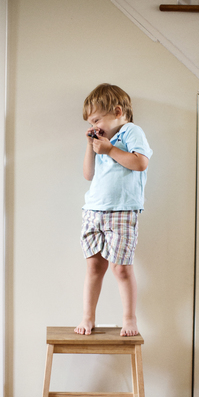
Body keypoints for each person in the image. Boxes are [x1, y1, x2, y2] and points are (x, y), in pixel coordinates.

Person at [74, 83, 152, 337]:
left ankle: (129, 319)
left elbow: (140, 163)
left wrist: (110, 149)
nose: (93, 126)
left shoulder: (131, 131)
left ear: (117, 111)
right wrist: (91, 147)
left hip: (122, 211)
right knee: (94, 267)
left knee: (121, 268)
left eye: (96, 119)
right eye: (90, 121)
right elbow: (88, 175)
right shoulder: (101, 141)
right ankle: (88, 317)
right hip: (94, 211)